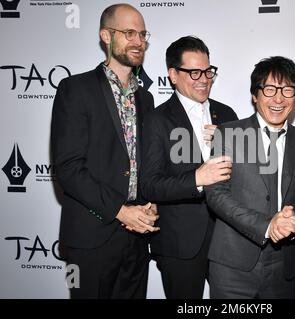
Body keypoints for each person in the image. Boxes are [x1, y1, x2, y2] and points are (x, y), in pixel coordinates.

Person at [51, 3, 159, 299]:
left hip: (136, 238)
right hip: (91, 237)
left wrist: (151, 204)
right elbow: (69, 168)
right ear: (105, 36)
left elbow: (145, 164)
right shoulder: (75, 89)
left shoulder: (146, 99)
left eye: (143, 34)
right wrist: (120, 211)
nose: (138, 41)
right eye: (129, 33)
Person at [205, 56, 295, 298]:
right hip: (232, 268)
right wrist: (268, 226)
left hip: (284, 270)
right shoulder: (228, 134)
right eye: (269, 89)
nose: (278, 99)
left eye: (288, 90)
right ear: (254, 95)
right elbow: (216, 194)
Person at [141, 36, 238, 299]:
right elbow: (149, 184)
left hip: (228, 238)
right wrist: (197, 178)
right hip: (180, 244)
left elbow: (244, 175)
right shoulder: (156, 120)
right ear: (173, 75)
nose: (204, 78)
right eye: (194, 72)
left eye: (208, 71)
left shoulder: (227, 114)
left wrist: (232, 146)